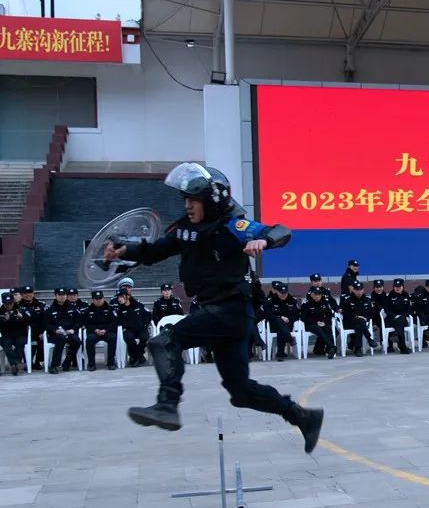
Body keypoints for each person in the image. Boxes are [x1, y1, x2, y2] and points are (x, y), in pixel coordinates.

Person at [102, 162, 323, 452]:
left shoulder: (233, 226)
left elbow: (281, 231)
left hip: (229, 310)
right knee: (240, 392)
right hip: (223, 316)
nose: (188, 206)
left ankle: (167, 403)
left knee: (164, 341)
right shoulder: (185, 230)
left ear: (211, 200)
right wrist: (124, 250)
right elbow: (155, 251)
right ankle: (303, 416)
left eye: (193, 200)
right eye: (186, 200)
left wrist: (263, 241)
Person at [45, 288, 82, 374]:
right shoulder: (50, 310)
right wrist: (55, 330)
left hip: (69, 333)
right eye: (60, 295)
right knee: (60, 339)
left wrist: (73, 329)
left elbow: (79, 321)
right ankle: (54, 365)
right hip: (55, 334)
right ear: (55, 296)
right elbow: (46, 324)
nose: (62, 297)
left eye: (64, 295)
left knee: (77, 341)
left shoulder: (73, 308)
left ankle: (67, 362)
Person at [262, 280, 300, 361]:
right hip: (273, 325)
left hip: (288, 325)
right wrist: (280, 317)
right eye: (281, 293)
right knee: (279, 322)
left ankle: (281, 353)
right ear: (277, 292)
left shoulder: (292, 300)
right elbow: (268, 315)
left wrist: (289, 319)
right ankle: (289, 340)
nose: (283, 295)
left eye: (285, 293)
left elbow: (297, 315)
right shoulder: (271, 301)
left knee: (281, 328)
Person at [83, 290, 119, 371]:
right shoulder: (88, 310)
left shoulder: (110, 309)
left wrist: (106, 330)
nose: (98, 300)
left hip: (107, 331)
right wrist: (95, 330)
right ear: (92, 300)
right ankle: (91, 364)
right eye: (96, 299)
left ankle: (111, 363)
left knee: (113, 338)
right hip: (94, 332)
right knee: (89, 340)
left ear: (103, 298)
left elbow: (114, 322)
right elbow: (87, 323)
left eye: (100, 298)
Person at [114, 289, 151, 366]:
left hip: (140, 328)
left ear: (127, 296)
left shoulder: (137, 304)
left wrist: (145, 324)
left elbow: (148, 314)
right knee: (129, 338)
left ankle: (135, 357)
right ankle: (139, 357)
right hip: (129, 330)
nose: (119, 299)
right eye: (118, 297)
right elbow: (118, 321)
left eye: (121, 296)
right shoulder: (119, 309)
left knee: (144, 337)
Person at [340, 282, 378, 355]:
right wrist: (357, 317)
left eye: (360, 290)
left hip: (362, 323)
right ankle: (369, 340)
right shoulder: (347, 300)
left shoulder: (367, 300)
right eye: (357, 290)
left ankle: (358, 348)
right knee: (360, 322)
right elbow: (346, 314)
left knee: (359, 324)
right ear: (353, 290)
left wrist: (364, 318)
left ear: (363, 290)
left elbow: (370, 314)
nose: (359, 292)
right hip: (349, 323)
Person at [300, 285, 338, 358]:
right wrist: (316, 322)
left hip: (322, 322)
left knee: (330, 329)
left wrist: (324, 322)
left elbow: (329, 315)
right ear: (311, 295)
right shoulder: (306, 304)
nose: (317, 296)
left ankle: (328, 350)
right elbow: (304, 318)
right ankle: (332, 346)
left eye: (319, 294)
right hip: (310, 324)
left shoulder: (325, 302)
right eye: (315, 294)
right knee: (318, 329)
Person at [17, 286, 47, 370]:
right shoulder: (18, 306)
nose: (28, 295)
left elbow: (44, 320)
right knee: (23, 340)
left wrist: (42, 331)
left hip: (39, 330)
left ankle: (38, 362)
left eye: (30, 293)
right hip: (24, 331)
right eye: (25, 293)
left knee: (43, 338)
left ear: (33, 294)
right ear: (22, 295)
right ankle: (28, 362)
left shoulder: (41, 304)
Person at [1, 291, 29, 375]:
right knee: (5, 344)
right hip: (7, 335)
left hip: (20, 334)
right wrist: (5, 320)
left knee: (20, 343)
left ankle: (15, 364)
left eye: (10, 303)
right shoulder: (1, 311)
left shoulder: (20, 309)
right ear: (3, 303)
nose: (9, 306)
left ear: (13, 302)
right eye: (7, 304)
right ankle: (15, 363)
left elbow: (29, 322)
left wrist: (22, 317)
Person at [383, 278, 414, 354]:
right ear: (393, 287)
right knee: (399, 324)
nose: (397, 288)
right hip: (391, 320)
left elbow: (409, 309)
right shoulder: (389, 296)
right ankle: (403, 348)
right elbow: (387, 310)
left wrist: (401, 316)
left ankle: (396, 335)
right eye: (396, 287)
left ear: (402, 287)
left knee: (400, 321)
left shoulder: (406, 295)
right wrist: (394, 316)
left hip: (403, 319)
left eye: (399, 287)